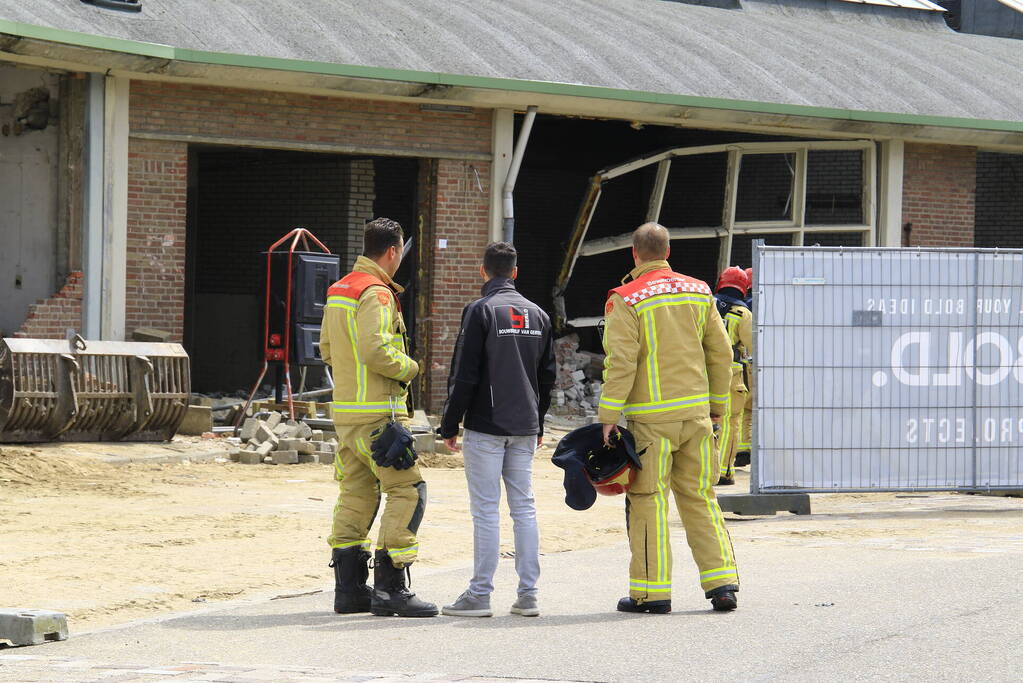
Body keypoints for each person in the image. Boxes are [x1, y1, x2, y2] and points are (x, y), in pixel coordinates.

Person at [598, 222, 740, 613]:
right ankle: (723, 583)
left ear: (634, 253)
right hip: (696, 417)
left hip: (650, 422)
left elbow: (621, 362)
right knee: (700, 498)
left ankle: (652, 592)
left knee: (648, 500)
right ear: (668, 251)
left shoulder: (626, 298)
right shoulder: (699, 291)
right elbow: (721, 354)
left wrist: (609, 415)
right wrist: (717, 407)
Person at [319, 217, 437, 618]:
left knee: (356, 494)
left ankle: (350, 591)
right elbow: (376, 350)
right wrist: (411, 368)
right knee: (408, 490)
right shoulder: (377, 293)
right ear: (393, 251)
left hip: (347, 415)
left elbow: (327, 349)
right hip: (379, 415)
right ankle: (390, 588)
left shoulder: (340, 290)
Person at [438, 241, 556, 618]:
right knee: (525, 508)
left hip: (487, 426)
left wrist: (449, 424)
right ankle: (529, 594)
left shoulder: (480, 311)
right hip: (525, 425)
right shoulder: (538, 314)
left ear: (483, 271)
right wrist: (538, 420)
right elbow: (547, 376)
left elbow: (465, 374)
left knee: (487, 511)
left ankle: (480, 594)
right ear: (515, 273)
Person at [714, 266, 753, 485]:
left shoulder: (706, 304)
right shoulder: (742, 313)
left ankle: (706, 469)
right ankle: (724, 471)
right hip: (732, 373)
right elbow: (752, 345)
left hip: (704, 372)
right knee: (730, 421)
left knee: (705, 421)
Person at [737, 267, 754, 467]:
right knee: (748, 408)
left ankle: (742, 448)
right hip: (750, 363)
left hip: (740, 365)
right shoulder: (747, 309)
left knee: (740, 409)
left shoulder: (743, 307)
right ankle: (745, 446)